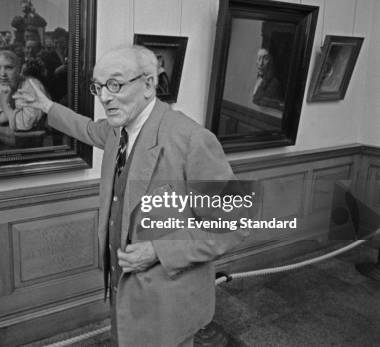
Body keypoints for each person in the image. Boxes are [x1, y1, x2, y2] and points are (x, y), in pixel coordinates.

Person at [14, 45, 248, 346]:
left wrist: (158, 251)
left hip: (169, 299)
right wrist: (46, 106)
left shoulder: (192, 140)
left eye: (115, 84)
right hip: (126, 291)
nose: (105, 97)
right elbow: (86, 128)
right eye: (98, 87)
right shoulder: (118, 130)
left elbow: (236, 221)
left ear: (149, 84)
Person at [0, 50, 46, 131]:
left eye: (9, 67)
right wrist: (16, 114)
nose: (2, 74)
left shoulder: (32, 86)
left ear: (19, 68)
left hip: (37, 138)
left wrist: (4, 105)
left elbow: (25, 124)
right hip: (13, 136)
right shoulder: (0, 85)